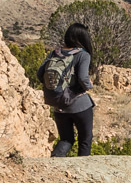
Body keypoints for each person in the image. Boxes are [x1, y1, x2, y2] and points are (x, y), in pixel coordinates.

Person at [39, 23, 96, 156]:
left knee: (66, 139)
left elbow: (39, 73)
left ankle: (55, 167)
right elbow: (83, 78)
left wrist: (57, 88)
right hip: (79, 104)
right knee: (85, 139)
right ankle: (83, 170)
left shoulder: (55, 53)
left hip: (58, 104)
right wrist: (90, 85)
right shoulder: (83, 55)